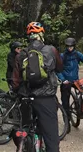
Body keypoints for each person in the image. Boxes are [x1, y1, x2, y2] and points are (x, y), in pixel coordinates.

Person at [12, 22, 63, 152]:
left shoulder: (21, 54)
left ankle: (23, 144)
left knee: (24, 129)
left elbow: (16, 81)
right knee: (51, 138)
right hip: (45, 98)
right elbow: (59, 67)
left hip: (26, 98)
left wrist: (18, 93)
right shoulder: (51, 50)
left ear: (29, 36)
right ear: (41, 35)